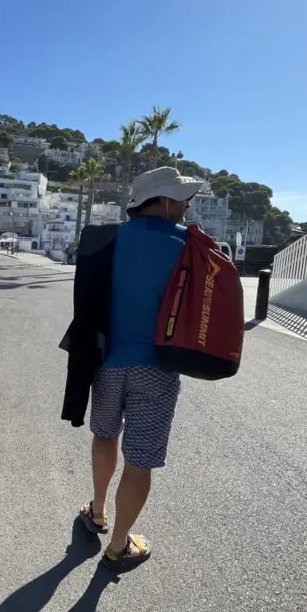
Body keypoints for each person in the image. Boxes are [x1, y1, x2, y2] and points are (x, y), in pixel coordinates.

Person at [63, 166, 202, 572]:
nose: (186, 205)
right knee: (139, 460)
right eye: (182, 198)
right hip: (157, 368)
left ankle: (99, 511)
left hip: (106, 361)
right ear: (163, 200)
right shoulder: (189, 245)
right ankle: (119, 545)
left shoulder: (109, 240)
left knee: (105, 435)